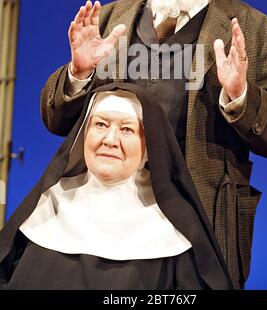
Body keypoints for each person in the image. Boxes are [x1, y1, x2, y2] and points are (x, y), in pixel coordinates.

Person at [40, 0, 267, 288]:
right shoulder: (110, 19)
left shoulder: (258, 32)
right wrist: (78, 73)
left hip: (198, 224)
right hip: (102, 223)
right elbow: (55, 121)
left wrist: (241, 95)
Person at [0, 85, 233, 290]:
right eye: (100, 124)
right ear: (83, 135)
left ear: (148, 147)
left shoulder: (172, 228)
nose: (110, 140)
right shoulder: (48, 206)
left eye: (127, 129)